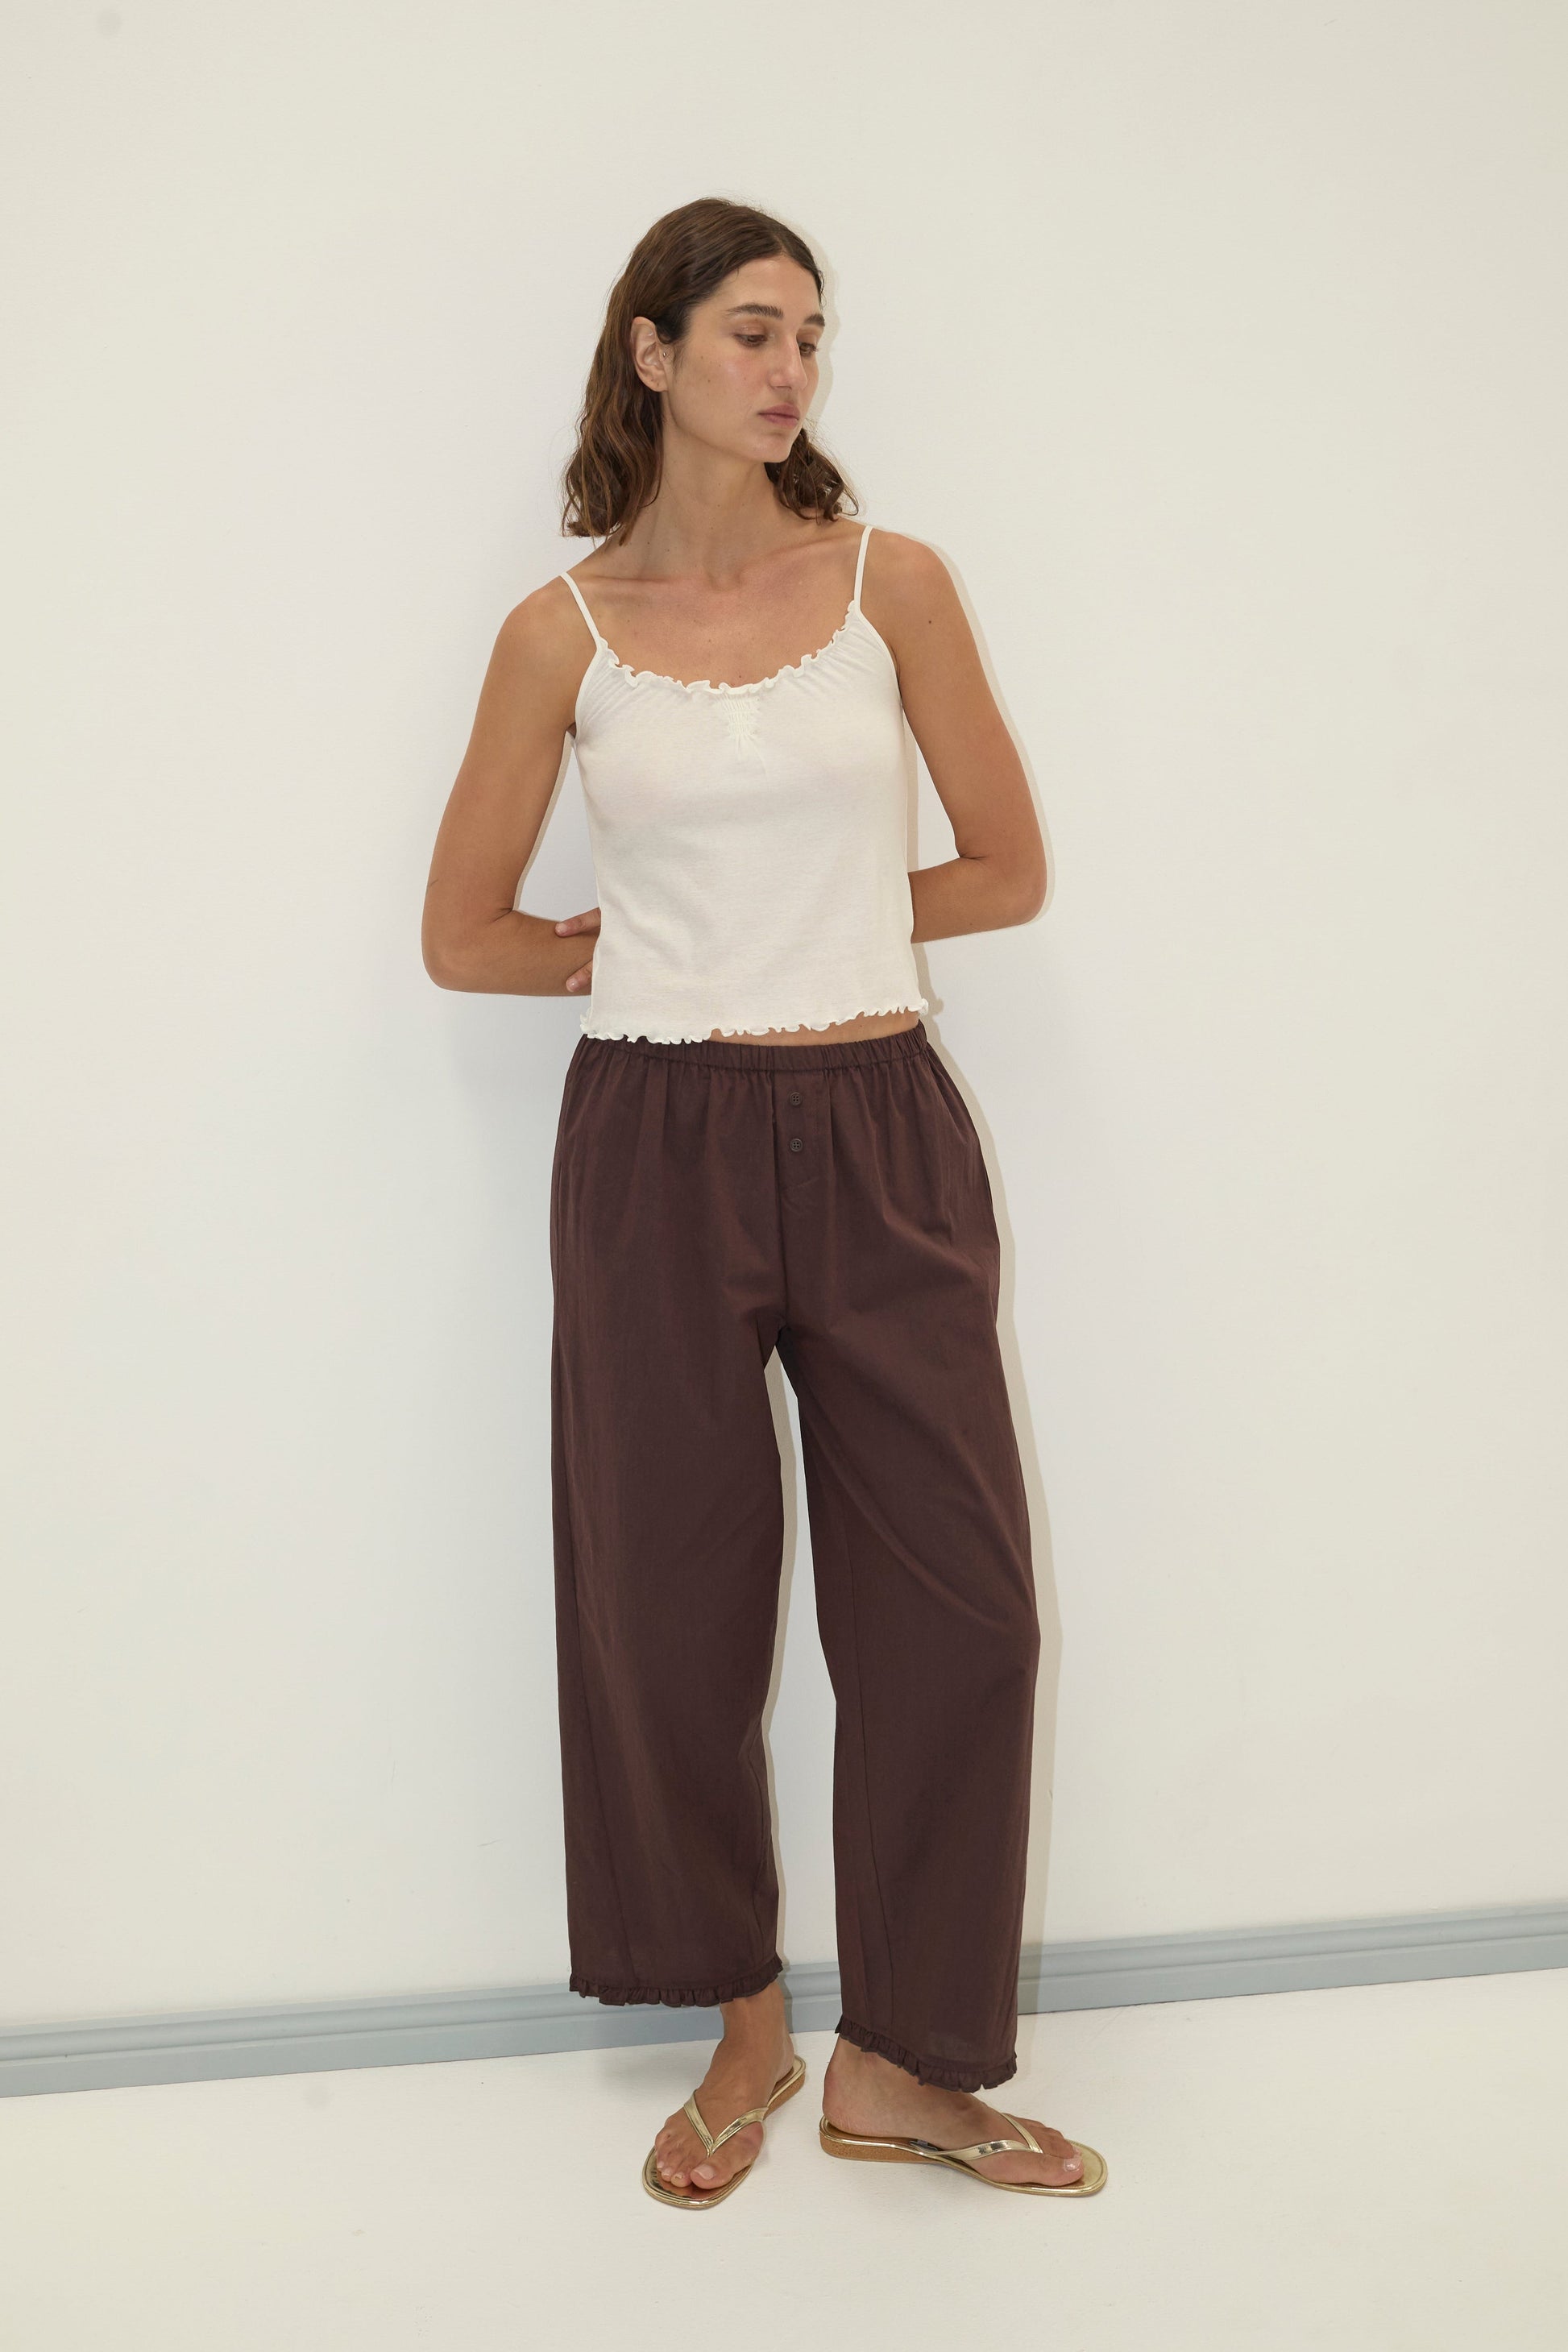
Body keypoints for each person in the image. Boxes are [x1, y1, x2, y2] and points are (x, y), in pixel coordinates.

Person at [421, 197, 1106, 2209]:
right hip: (652, 1145)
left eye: (808, 332)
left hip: (879, 1123)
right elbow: (462, 934)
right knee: (668, 1606)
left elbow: (1002, 867)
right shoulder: (558, 631)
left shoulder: (893, 583)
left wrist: (806, 921)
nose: (788, 365)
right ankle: (743, 2026)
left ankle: (906, 2062)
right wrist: (638, 941)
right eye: (747, 329)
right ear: (649, 354)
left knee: (962, 1614)